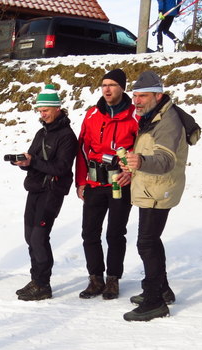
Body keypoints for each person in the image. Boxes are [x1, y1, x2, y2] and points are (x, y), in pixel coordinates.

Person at [121, 71, 199, 322]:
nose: (137, 101)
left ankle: (155, 302)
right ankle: (161, 290)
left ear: (158, 95)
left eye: (143, 96)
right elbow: (147, 153)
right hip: (151, 186)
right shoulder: (154, 116)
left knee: (146, 243)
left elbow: (165, 160)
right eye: (135, 96)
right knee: (151, 241)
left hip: (159, 188)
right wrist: (133, 164)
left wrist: (141, 161)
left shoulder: (168, 121)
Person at [75, 69, 139, 300]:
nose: (107, 89)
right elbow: (82, 150)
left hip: (120, 183)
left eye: (112, 85)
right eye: (104, 85)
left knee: (115, 233)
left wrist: (131, 173)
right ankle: (95, 279)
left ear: (122, 87)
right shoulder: (92, 114)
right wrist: (81, 181)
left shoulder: (135, 115)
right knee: (89, 233)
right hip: (94, 182)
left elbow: (142, 150)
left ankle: (113, 279)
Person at [13, 85, 77, 301]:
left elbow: (61, 168)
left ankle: (43, 284)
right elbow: (33, 159)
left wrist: (33, 161)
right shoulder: (42, 133)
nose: (43, 114)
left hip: (52, 191)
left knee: (39, 237)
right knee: (29, 236)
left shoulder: (67, 136)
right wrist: (24, 162)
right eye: (40, 111)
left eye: (46, 110)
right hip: (35, 188)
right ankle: (36, 279)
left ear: (58, 108)